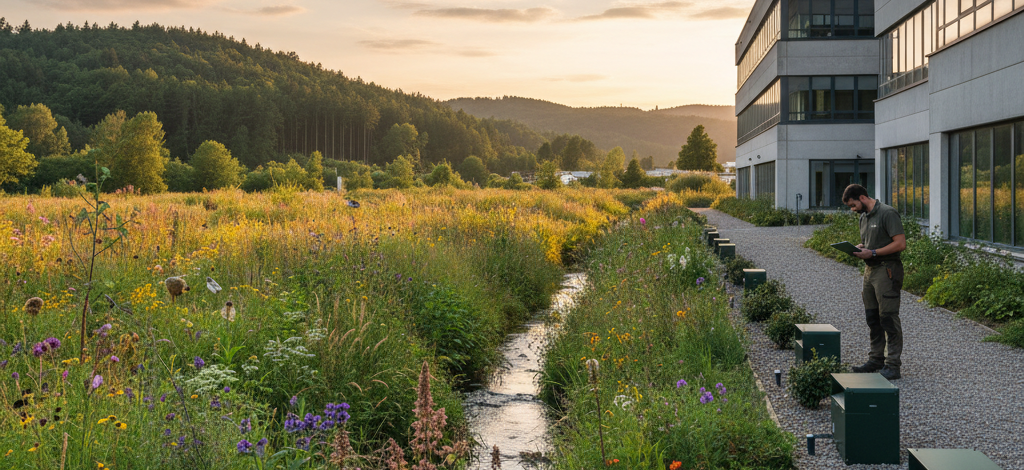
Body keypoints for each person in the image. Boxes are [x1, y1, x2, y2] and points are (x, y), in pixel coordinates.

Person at [842, 184, 906, 380]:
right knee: (872, 317)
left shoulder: (887, 213)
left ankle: (893, 365)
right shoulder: (863, 217)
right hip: (869, 271)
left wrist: (874, 252)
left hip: (887, 270)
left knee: (888, 316)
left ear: (862, 198)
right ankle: (876, 359)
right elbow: (872, 242)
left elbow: (900, 243)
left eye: (853, 205)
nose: (852, 210)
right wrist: (861, 247)